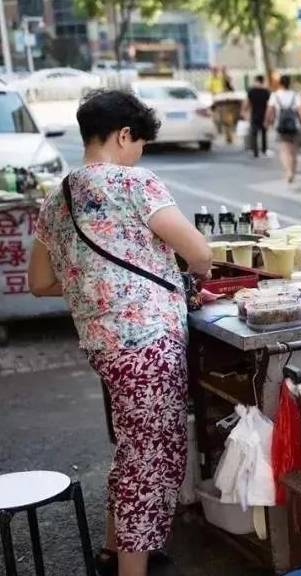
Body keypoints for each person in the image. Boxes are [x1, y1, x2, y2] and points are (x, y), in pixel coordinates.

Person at [28, 90, 212, 576]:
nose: (140, 154)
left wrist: (95, 287)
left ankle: (114, 552)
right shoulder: (135, 183)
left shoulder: (58, 196)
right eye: (140, 143)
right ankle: (135, 570)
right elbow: (198, 251)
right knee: (152, 460)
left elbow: (41, 282)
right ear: (123, 135)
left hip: (104, 346)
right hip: (149, 344)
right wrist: (187, 274)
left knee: (133, 448)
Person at [265, 75, 301, 184]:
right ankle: (293, 171)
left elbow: (270, 110)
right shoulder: (295, 95)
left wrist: (267, 121)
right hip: (294, 125)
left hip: (280, 126)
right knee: (293, 151)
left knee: (285, 150)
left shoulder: (275, 95)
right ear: (289, 83)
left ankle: (288, 172)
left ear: (280, 83)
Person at [243, 75, 271, 158]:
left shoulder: (251, 91)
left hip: (254, 114)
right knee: (264, 133)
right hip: (264, 114)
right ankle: (264, 149)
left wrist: (244, 112)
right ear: (262, 81)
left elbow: (247, 103)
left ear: (256, 81)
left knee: (254, 134)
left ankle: (255, 152)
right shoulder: (266, 92)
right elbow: (270, 104)